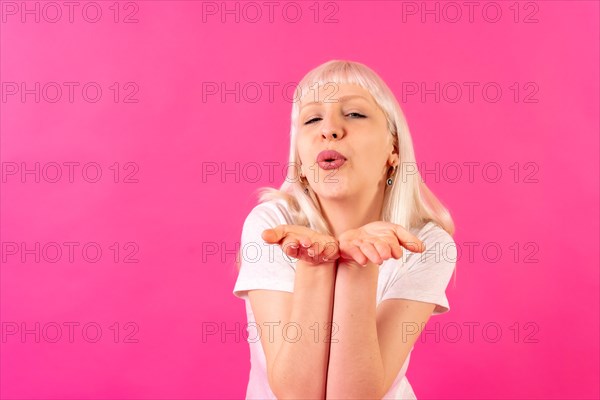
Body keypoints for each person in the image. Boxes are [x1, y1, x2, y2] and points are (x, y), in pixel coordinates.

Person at [232, 60, 458, 399]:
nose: (330, 129)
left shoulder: (426, 244)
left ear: (392, 149)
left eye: (354, 114)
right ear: (302, 163)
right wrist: (315, 265)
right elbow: (297, 394)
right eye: (312, 119)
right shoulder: (272, 225)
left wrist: (357, 264)